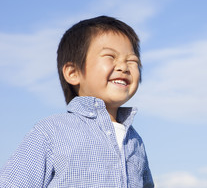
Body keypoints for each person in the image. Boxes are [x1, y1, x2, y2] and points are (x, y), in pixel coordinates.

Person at [0, 16, 154, 187]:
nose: (123, 67)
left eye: (132, 61)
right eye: (110, 56)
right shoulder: (51, 132)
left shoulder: (135, 140)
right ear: (73, 73)